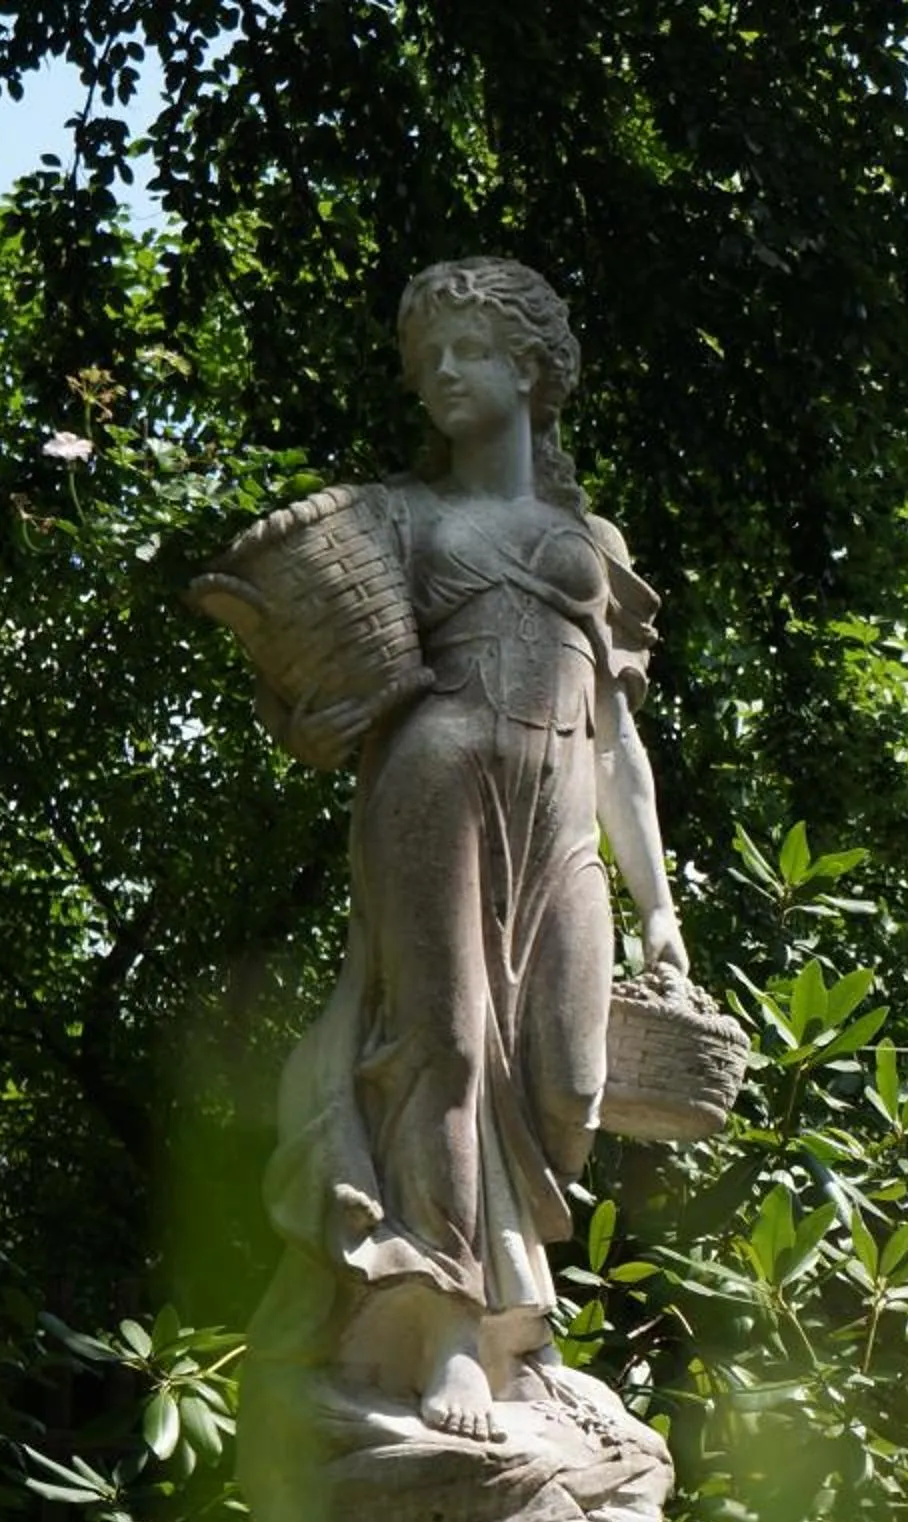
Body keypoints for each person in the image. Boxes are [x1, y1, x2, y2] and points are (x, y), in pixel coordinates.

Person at [259, 256, 685, 1444]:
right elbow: (321, 688)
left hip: (555, 796)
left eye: (472, 351)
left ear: (533, 370)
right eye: (428, 357)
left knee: (571, 1077)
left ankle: (508, 1325)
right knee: (442, 1044)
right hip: (434, 781)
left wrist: (661, 911)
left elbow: (618, 741)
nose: (444, 372)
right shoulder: (400, 516)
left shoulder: (588, 541)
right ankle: (451, 1333)